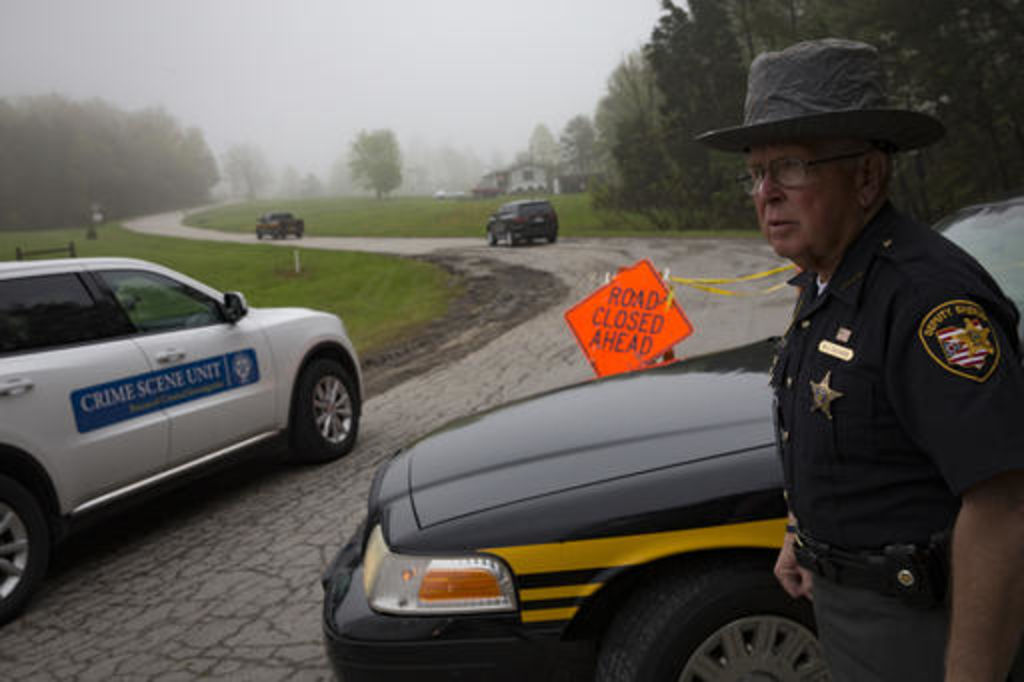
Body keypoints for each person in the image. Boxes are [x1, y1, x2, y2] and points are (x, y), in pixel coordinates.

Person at [696, 38, 1024, 681]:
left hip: (931, 630)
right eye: (756, 172)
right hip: (851, 614)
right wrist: (803, 531)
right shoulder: (829, 282)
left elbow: (1005, 507)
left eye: (790, 167)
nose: (766, 193)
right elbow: (858, 437)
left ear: (868, 176)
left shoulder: (928, 299)